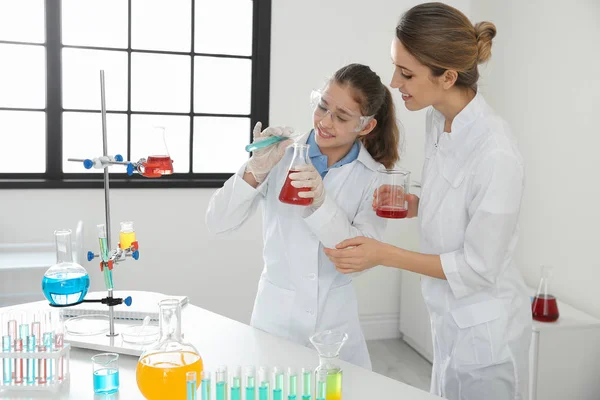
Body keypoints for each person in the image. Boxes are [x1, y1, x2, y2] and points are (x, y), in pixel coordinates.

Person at [324, 3, 532, 399]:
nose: (394, 82)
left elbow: (478, 268)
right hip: (448, 321)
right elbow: (455, 196)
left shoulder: (496, 153)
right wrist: (413, 201)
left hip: (487, 336)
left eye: (406, 73)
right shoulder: (440, 117)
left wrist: (383, 253)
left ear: (448, 76)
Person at [205, 63, 400, 369]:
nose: (325, 121)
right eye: (322, 106)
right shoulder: (279, 154)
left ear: (366, 126)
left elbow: (358, 263)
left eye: (341, 116)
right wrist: (255, 171)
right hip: (275, 323)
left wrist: (322, 204)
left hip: (336, 330)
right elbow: (218, 221)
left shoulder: (375, 176)